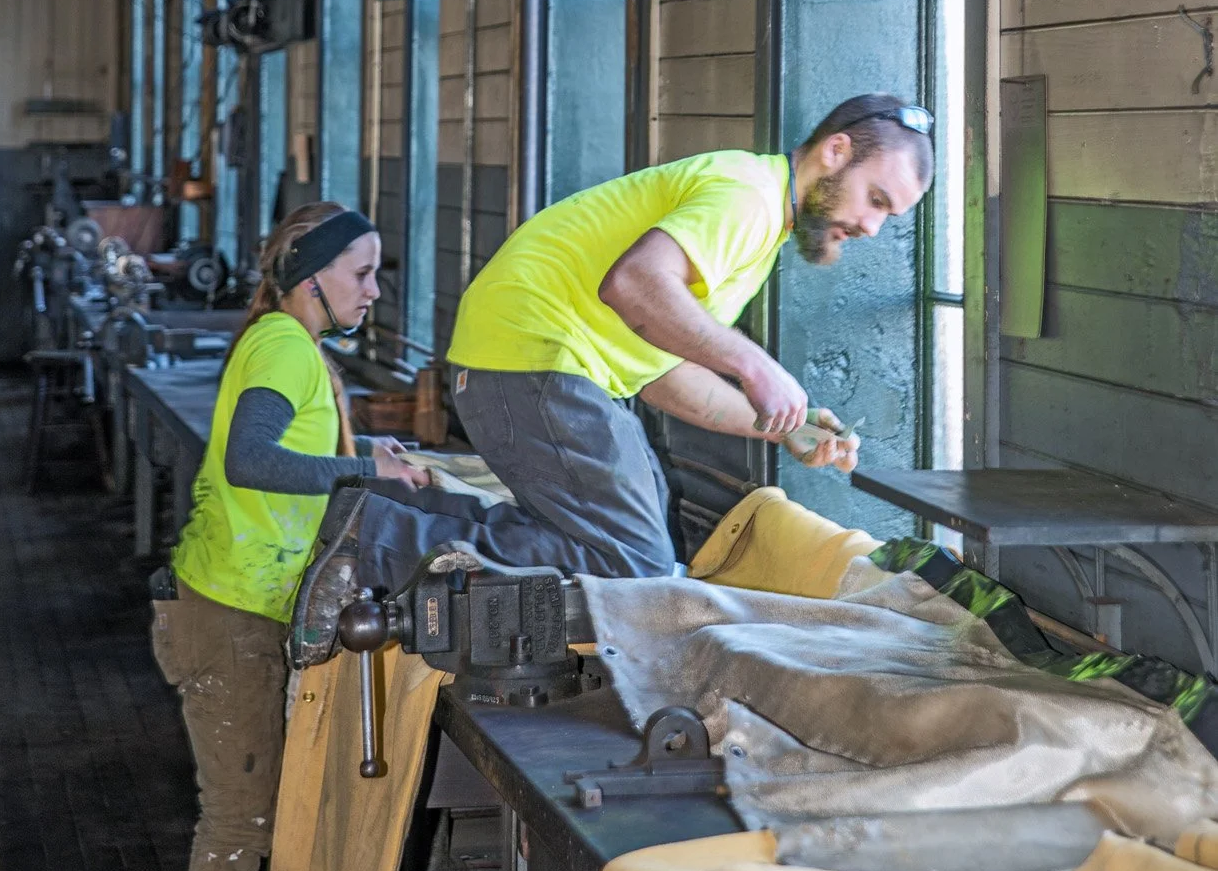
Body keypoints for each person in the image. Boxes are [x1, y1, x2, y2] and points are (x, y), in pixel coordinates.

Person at [290, 95, 933, 665]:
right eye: (876, 199)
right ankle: (375, 536)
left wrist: (781, 429)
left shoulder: (757, 221)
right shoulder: (749, 197)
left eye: (890, 216)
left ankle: (390, 518)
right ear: (836, 150)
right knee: (637, 568)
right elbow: (633, 285)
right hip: (537, 356)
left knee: (644, 543)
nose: (872, 227)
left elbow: (660, 374)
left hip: (539, 362)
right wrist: (756, 365)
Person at [149, 202, 429, 871]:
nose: (372, 291)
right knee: (240, 824)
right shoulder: (282, 345)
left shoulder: (288, 341)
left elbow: (294, 451)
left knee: (253, 814)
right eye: (361, 274)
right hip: (226, 612)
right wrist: (364, 474)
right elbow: (251, 460)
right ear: (312, 280)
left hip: (242, 605)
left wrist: (365, 453)